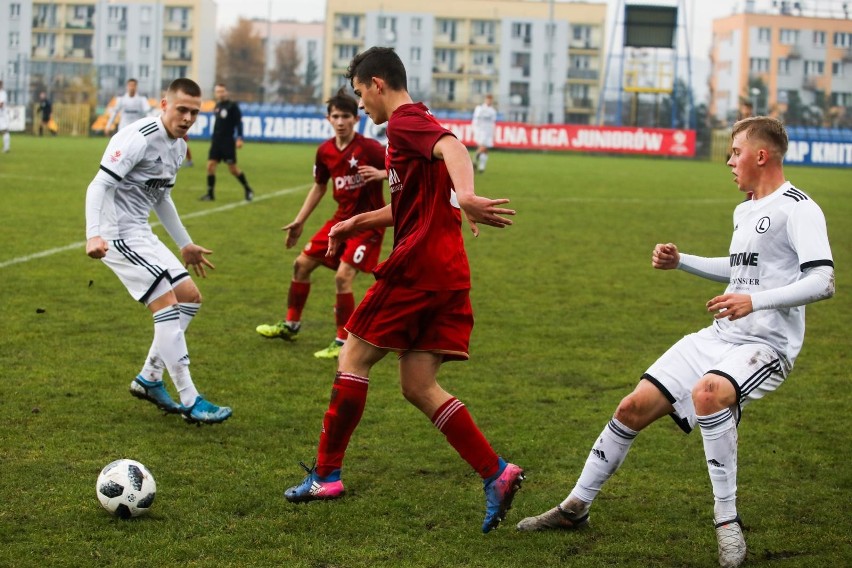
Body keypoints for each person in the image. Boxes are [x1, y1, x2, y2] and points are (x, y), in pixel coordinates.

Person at [516, 117, 835, 568]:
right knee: (631, 408)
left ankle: (727, 522)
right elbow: (741, 268)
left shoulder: (800, 208)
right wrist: (682, 262)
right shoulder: (746, 209)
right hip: (720, 336)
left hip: (766, 345)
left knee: (708, 394)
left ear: (761, 156)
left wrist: (756, 301)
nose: (729, 160)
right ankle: (574, 508)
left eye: (735, 151)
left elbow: (823, 280)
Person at [283, 47, 524, 534]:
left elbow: (454, 148)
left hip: (418, 267)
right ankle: (497, 473)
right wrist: (356, 220)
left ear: (377, 83)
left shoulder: (405, 122)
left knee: (351, 357)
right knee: (418, 385)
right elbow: (409, 203)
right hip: (448, 270)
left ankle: (327, 475)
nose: (360, 105)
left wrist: (469, 195)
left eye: (358, 94)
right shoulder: (415, 125)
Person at [84, 78, 232, 425]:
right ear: (164, 104)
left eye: (195, 112)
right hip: (116, 235)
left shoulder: (179, 145)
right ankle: (190, 398)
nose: (188, 118)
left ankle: (150, 377)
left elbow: (162, 198)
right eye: (182, 109)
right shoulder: (139, 138)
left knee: (190, 298)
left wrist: (185, 243)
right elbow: (99, 185)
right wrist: (94, 234)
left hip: (141, 233)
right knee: (165, 304)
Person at [255, 89, 387, 359]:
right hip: (340, 221)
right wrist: (299, 221)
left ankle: (342, 342)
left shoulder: (370, 149)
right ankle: (291, 325)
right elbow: (318, 188)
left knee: (343, 277)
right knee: (301, 265)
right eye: (335, 116)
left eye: (346, 116)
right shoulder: (325, 151)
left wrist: (382, 173)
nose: (340, 121)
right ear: (328, 119)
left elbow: (405, 168)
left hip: (368, 223)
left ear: (356, 119)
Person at [200, 83, 253, 202]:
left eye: (222, 91)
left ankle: (248, 189)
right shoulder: (217, 105)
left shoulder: (232, 106)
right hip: (216, 141)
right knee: (210, 166)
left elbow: (239, 123)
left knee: (233, 169)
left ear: (226, 92)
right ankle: (210, 194)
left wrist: (239, 138)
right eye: (218, 91)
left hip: (227, 142)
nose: (220, 93)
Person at [471, 94, 497, 174]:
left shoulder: (493, 111)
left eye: (490, 100)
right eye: (488, 99)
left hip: (488, 131)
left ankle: (482, 166)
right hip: (480, 131)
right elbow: (475, 120)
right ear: (485, 100)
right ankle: (474, 160)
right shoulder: (480, 109)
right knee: (482, 147)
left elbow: (493, 123)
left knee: (486, 150)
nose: (489, 101)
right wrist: (474, 130)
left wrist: (493, 133)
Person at [0, 80, 10, 153]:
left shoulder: (2, 93)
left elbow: (1, 104)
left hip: (2, 115)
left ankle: (6, 148)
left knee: (4, 130)